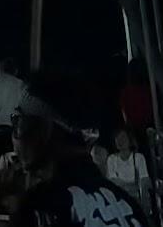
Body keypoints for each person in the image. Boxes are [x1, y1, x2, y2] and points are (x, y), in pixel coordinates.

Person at [10, 71, 148, 227]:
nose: (14, 138)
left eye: (18, 123)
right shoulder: (127, 206)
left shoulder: (43, 208)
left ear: (45, 129)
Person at [105, 130, 149, 206]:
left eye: (123, 137)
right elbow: (113, 182)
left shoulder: (139, 157)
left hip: (137, 200)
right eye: (117, 138)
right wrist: (132, 186)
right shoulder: (111, 159)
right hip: (119, 201)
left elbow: (144, 181)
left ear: (129, 140)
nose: (120, 141)